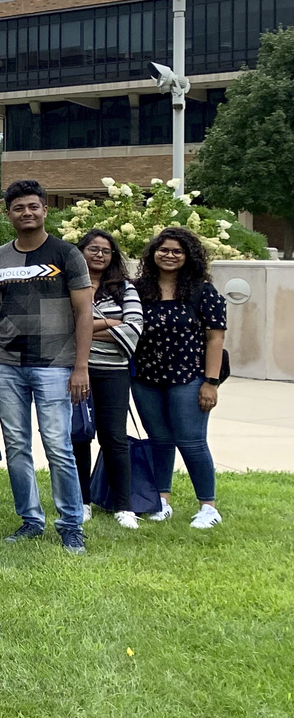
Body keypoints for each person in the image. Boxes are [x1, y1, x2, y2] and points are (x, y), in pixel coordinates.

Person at [0, 179, 93, 552]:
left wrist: (81, 367)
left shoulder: (67, 254)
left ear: (44, 210)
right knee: (17, 445)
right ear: (9, 213)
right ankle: (31, 519)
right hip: (6, 364)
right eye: (19, 207)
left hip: (56, 364)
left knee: (58, 445)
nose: (27, 213)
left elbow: (84, 311)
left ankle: (71, 523)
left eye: (33, 207)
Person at [131, 226, 226, 529]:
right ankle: (161, 501)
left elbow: (215, 339)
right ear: (153, 253)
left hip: (189, 377)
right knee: (159, 440)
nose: (169, 256)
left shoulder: (202, 291)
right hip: (146, 377)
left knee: (191, 441)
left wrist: (210, 383)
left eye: (177, 251)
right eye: (163, 250)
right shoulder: (139, 289)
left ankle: (208, 507)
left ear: (188, 256)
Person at [72, 228, 143, 529]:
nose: (99, 254)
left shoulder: (124, 288)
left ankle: (124, 506)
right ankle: (82, 502)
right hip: (76, 371)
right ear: (81, 252)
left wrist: (86, 326)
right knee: (79, 436)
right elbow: (64, 326)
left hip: (113, 372)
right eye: (93, 249)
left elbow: (134, 326)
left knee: (114, 437)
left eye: (106, 250)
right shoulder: (70, 284)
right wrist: (109, 322)